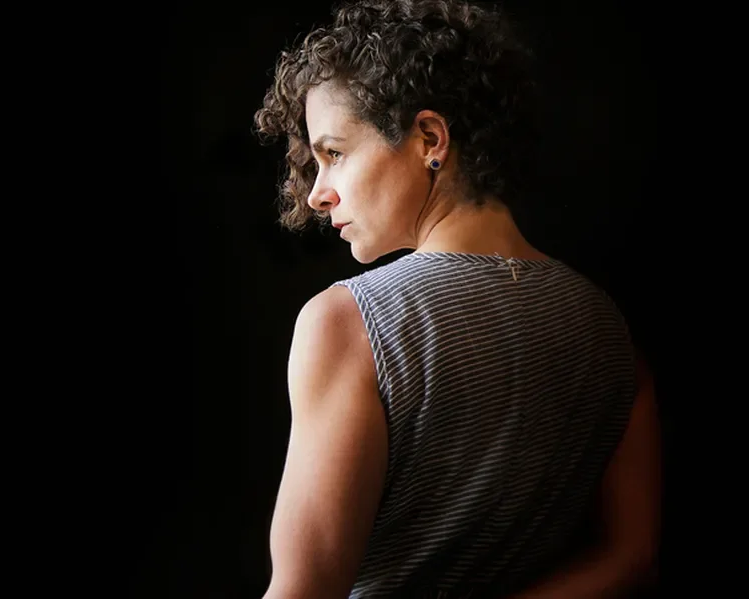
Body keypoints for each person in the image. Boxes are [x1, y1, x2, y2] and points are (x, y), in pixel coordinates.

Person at [251, 1, 661, 597]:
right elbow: (632, 556)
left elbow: (305, 590)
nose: (317, 195)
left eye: (334, 154)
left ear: (429, 138)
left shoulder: (346, 324)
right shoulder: (610, 332)